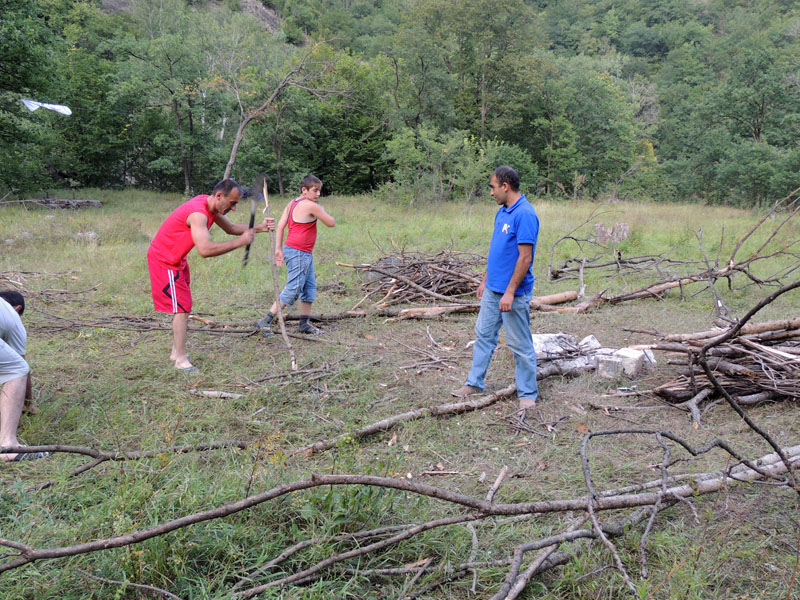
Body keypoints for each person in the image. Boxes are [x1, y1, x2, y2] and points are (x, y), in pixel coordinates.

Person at [147, 179, 274, 372]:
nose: (234, 208)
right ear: (219, 196)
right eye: (232, 203)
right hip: (164, 261)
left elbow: (230, 228)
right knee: (182, 308)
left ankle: (176, 351)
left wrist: (260, 227)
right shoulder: (198, 214)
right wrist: (241, 242)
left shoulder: (210, 206)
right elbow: (205, 250)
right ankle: (180, 360)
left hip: (177, 258)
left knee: (183, 306)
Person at [452, 166, 540, 410]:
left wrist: (510, 292)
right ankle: (474, 383)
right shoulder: (502, 213)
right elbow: (498, 251)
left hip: (514, 294)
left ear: (505, 186)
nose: (491, 192)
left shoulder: (525, 214)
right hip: (493, 290)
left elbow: (524, 258)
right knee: (483, 336)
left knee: (520, 345)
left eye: (492, 187)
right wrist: (485, 280)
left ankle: (527, 394)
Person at [257, 175, 335, 335]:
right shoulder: (311, 205)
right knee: (293, 288)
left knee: (309, 287)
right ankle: (265, 320)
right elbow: (331, 222)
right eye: (315, 190)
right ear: (304, 190)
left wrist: (278, 248)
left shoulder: (292, 203)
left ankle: (304, 323)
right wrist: (321, 210)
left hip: (299, 251)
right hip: (299, 253)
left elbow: (280, 226)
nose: (318, 194)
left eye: (319, 190)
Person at [0, 290, 49, 461]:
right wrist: (28, 404)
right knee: (17, 369)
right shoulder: (15, 322)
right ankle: (8, 446)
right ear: (17, 309)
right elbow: (22, 368)